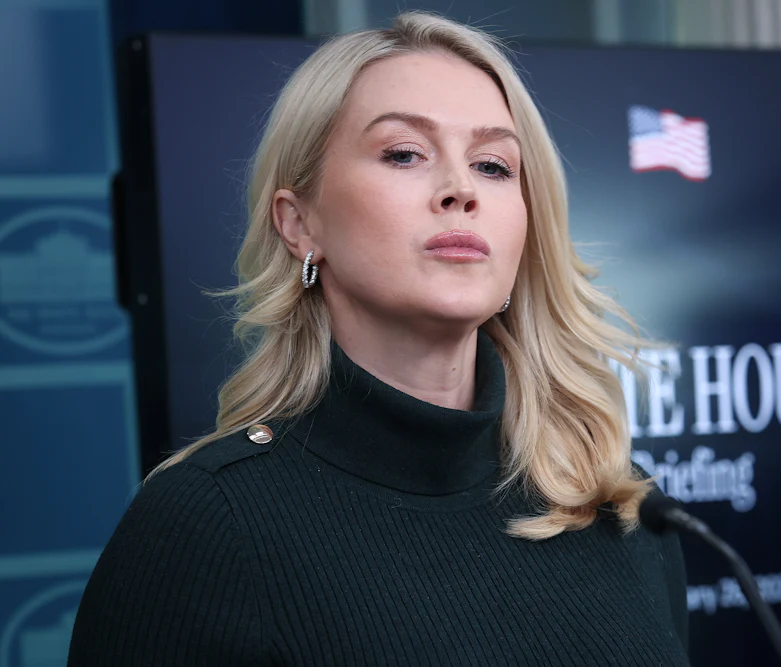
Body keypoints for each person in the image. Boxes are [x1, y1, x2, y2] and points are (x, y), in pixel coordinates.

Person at [68, 11, 689, 666]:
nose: (460, 190)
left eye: (493, 165)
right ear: (300, 223)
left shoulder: (618, 503)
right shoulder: (203, 525)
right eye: (404, 154)